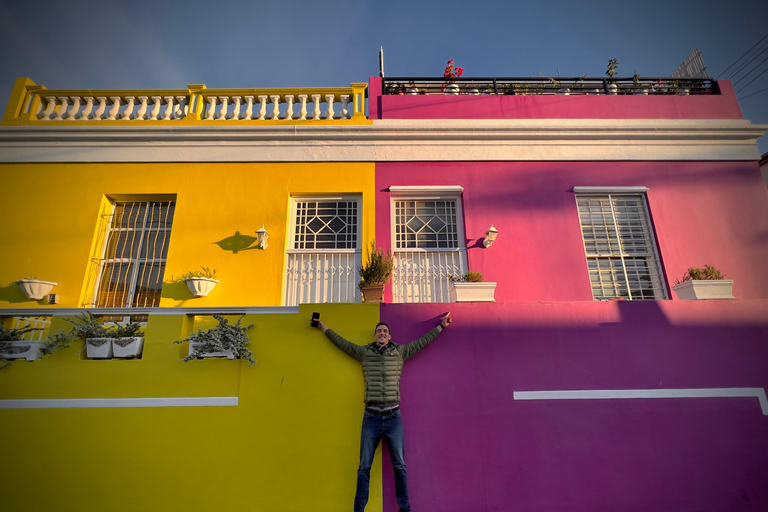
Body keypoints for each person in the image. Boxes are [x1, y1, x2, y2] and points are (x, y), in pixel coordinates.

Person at [313, 312, 452, 512]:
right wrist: (323, 327)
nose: (381, 333)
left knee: (400, 466)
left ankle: (405, 508)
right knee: (364, 467)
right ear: (375, 335)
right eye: (378, 331)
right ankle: (359, 509)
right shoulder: (364, 352)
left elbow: (422, 342)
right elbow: (343, 343)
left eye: (385, 331)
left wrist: (442, 327)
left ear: (390, 336)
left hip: (393, 417)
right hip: (371, 417)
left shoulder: (400, 352)